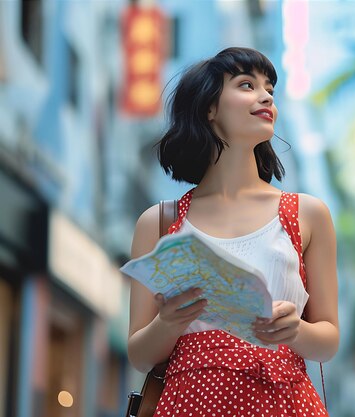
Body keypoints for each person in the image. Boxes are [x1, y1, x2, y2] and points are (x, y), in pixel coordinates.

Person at [126, 47, 339, 416]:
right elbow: (139, 355)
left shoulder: (307, 214)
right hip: (189, 403)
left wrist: (295, 332)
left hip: (283, 402)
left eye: (269, 87)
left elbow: (328, 341)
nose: (266, 95)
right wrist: (170, 321)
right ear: (209, 108)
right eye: (247, 84)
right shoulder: (159, 222)